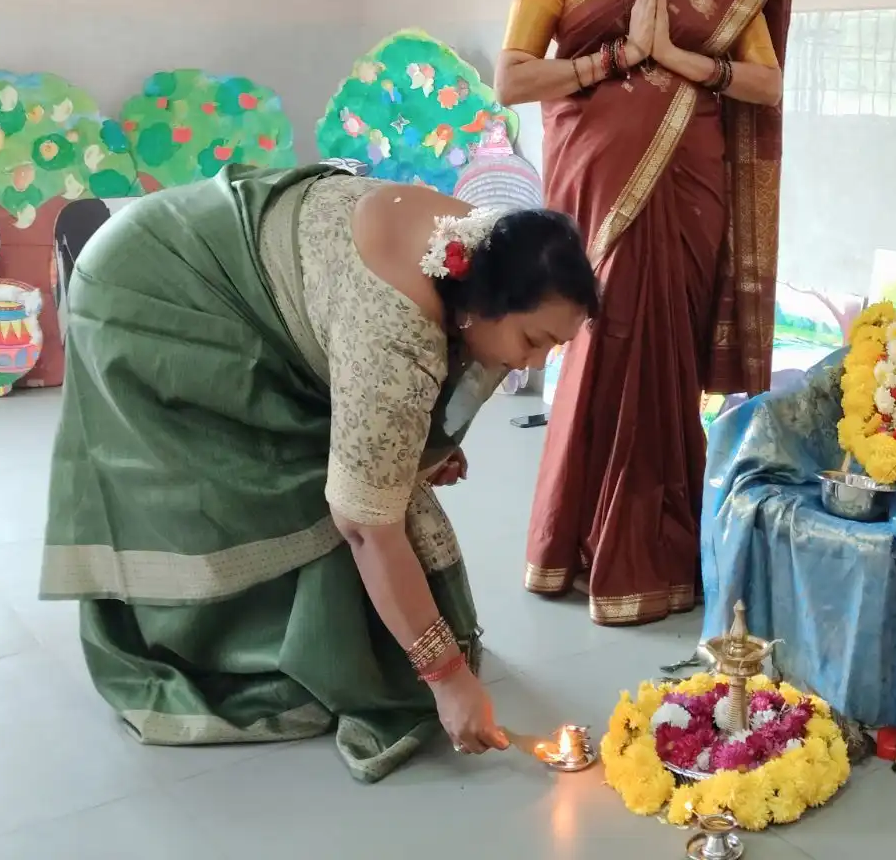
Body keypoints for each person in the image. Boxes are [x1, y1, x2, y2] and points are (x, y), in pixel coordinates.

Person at [40, 164, 599, 781]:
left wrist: (415, 444)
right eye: (534, 340)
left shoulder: (489, 249)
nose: (538, 361)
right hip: (154, 294)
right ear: (487, 306)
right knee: (259, 479)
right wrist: (446, 677)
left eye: (556, 347)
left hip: (224, 250)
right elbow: (364, 525)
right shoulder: (395, 333)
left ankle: (318, 638)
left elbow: (417, 399)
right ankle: (214, 653)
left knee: (359, 471)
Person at [495, 0, 792, 626]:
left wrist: (675, 58)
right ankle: (573, 545)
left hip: (690, 187)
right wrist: (616, 60)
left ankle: (658, 556)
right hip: (596, 182)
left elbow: (766, 83)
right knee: (601, 340)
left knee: (664, 358)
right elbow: (513, 76)